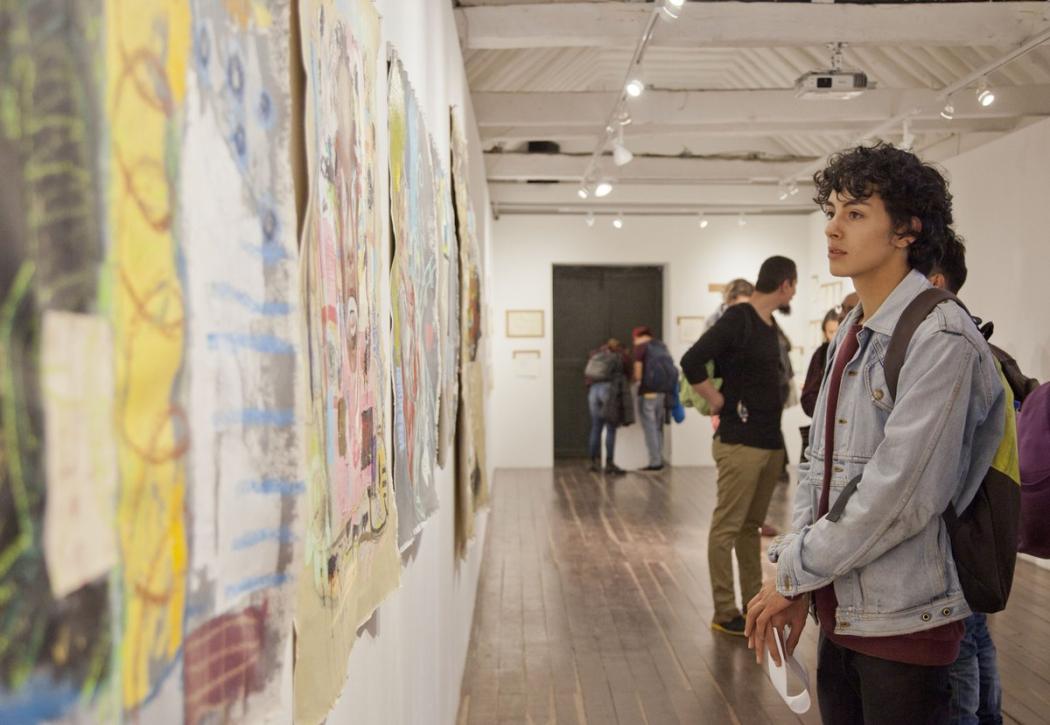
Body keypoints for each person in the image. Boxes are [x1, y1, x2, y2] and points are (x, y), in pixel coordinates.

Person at [745, 142, 1006, 725]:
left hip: (905, 621)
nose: (833, 229)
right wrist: (805, 584)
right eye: (832, 211)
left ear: (907, 230)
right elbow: (819, 466)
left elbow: (899, 497)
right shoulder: (855, 330)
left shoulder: (942, 338)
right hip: (846, 614)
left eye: (855, 214)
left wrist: (792, 573)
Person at [680, 255, 798, 636]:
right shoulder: (740, 318)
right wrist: (716, 401)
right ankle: (723, 608)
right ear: (785, 285)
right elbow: (692, 360)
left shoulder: (769, 325)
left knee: (750, 526)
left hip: (768, 440)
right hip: (740, 441)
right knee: (727, 526)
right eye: (793, 285)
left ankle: (752, 602)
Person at [926, 238, 1003, 725]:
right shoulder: (979, 340)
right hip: (978, 520)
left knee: (964, 640)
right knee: (975, 635)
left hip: (959, 523)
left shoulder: (953, 344)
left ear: (933, 281)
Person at [799, 307, 842, 461]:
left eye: (838, 330)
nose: (836, 336)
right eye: (831, 332)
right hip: (823, 432)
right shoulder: (821, 355)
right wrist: (822, 414)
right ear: (824, 332)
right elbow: (808, 395)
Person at [585, 338, 631, 475]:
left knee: (596, 427)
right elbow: (628, 374)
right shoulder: (620, 356)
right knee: (610, 428)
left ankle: (592, 462)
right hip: (609, 391)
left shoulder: (596, 355)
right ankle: (609, 463)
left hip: (594, 391)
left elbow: (588, 376)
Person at [632, 326, 674, 471]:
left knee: (649, 427)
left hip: (648, 391)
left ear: (638, 336)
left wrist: (637, 380)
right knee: (658, 426)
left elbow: (638, 371)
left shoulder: (641, 347)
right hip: (662, 391)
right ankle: (659, 458)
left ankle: (655, 462)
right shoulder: (661, 346)